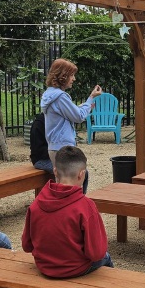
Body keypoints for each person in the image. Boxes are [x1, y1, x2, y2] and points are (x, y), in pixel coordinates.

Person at [21, 146, 113, 278]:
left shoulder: (36, 203)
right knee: (106, 258)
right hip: (76, 268)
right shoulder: (86, 206)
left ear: (55, 171)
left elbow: (26, 245)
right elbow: (96, 253)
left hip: (44, 266)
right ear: (82, 174)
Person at [36, 58, 101, 193]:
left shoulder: (50, 94)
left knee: (62, 185)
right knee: (71, 186)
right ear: (62, 76)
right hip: (63, 147)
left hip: (55, 147)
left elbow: (71, 113)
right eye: (71, 75)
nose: (74, 79)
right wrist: (90, 99)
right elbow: (78, 116)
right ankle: (77, 210)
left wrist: (86, 105)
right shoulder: (60, 97)